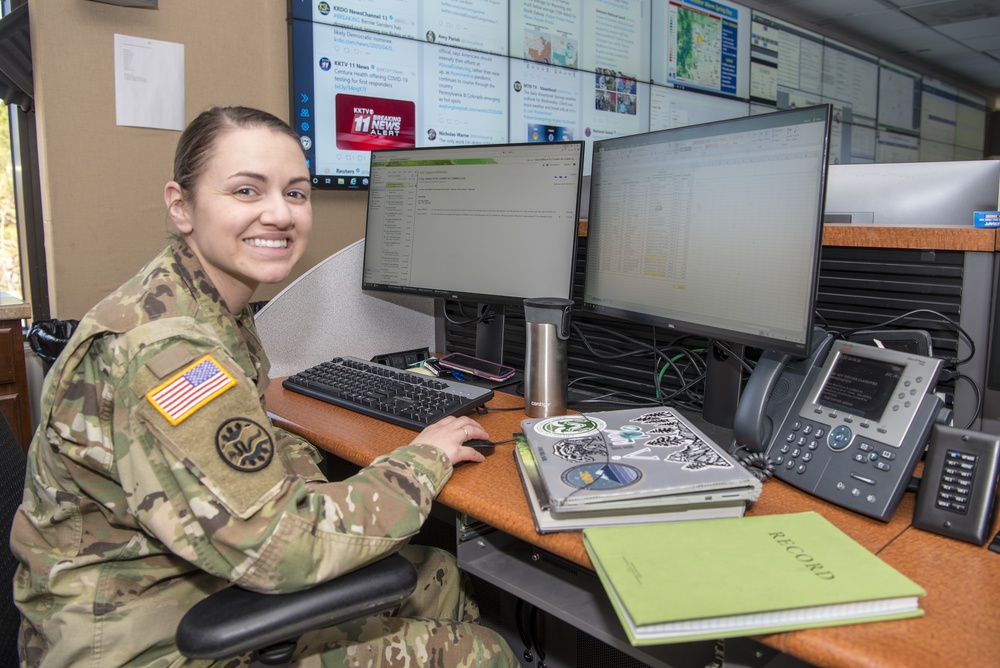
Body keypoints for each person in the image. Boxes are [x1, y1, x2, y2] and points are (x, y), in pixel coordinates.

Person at [10, 106, 517, 667]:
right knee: (486, 652)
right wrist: (419, 462)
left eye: (296, 193)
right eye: (247, 191)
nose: (279, 213)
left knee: (439, 574)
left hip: (182, 582)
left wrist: (343, 482)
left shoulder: (207, 302)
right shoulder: (170, 351)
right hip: (138, 639)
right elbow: (276, 549)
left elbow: (263, 444)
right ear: (182, 205)